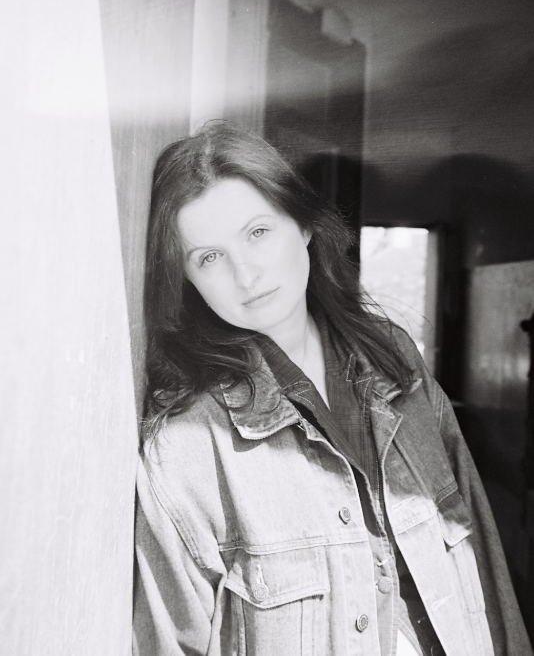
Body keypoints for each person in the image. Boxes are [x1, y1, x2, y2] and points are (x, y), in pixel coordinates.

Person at [133, 121, 531, 656]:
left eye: (258, 232)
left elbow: (479, 553)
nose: (246, 274)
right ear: (188, 281)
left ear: (302, 226)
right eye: (208, 257)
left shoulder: (392, 358)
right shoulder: (188, 445)